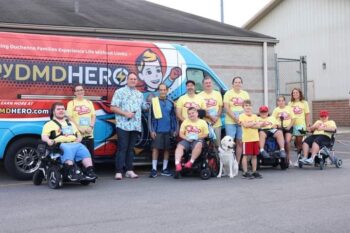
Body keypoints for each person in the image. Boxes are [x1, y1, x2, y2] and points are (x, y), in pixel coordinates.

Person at [41, 102, 97, 181]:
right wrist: (48, 140)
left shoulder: (70, 123)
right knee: (68, 149)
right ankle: (71, 171)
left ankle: (89, 171)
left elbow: (78, 134)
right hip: (60, 144)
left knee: (84, 150)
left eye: (63, 109)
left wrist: (79, 139)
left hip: (74, 143)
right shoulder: (49, 124)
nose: (61, 111)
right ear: (53, 112)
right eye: (58, 109)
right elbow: (44, 136)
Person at [110, 72, 147, 180]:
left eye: (135, 79)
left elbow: (143, 107)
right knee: (122, 148)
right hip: (123, 124)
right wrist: (125, 113)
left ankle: (129, 170)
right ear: (127, 80)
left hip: (135, 125)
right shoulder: (120, 92)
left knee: (131, 149)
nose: (133, 80)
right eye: (131, 79)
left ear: (137, 81)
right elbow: (113, 107)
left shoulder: (139, 94)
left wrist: (150, 103)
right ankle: (119, 171)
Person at [148, 84, 177, 178]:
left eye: (164, 90)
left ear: (167, 90)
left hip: (168, 130)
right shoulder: (154, 102)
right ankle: (154, 169)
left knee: (167, 149)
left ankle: (164, 169)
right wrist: (151, 130)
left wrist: (175, 129)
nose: (163, 91)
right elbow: (150, 117)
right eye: (161, 90)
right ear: (158, 91)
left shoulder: (170, 102)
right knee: (155, 149)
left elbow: (173, 118)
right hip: (157, 130)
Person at [223, 76, 250, 165]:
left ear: (241, 84)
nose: (238, 84)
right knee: (230, 142)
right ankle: (229, 162)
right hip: (230, 121)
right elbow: (226, 107)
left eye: (239, 82)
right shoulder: (228, 93)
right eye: (236, 82)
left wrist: (241, 119)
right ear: (233, 84)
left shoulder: (245, 94)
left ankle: (237, 163)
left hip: (241, 121)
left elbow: (247, 107)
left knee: (239, 142)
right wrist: (235, 118)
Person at [174, 107, 209, 173]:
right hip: (187, 139)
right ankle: (177, 163)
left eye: (193, 113)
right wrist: (187, 138)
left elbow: (206, 134)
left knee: (199, 144)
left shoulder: (203, 122)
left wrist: (197, 137)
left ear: (197, 113)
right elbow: (181, 134)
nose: (191, 115)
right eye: (189, 114)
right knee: (179, 146)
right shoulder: (185, 121)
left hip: (198, 139)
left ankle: (191, 162)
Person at [66, 85, 96, 157]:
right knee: (78, 156)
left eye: (81, 90)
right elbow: (69, 117)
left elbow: (93, 116)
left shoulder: (89, 102)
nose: (80, 92)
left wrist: (91, 127)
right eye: (78, 90)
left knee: (90, 156)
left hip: (89, 134)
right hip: (78, 135)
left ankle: (90, 168)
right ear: (75, 93)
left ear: (84, 91)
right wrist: (78, 128)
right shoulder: (71, 103)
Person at [238, 100, 262, 179]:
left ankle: (254, 171)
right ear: (243, 107)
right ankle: (245, 172)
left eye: (249, 105)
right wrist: (253, 123)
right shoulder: (242, 116)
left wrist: (250, 124)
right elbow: (244, 125)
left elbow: (259, 126)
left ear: (251, 106)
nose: (248, 107)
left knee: (254, 156)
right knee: (245, 155)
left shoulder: (255, 116)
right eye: (246, 105)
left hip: (255, 138)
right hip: (247, 139)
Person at [198, 75, 223, 146]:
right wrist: (210, 117)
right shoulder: (199, 96)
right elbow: (200, 111)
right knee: (206, 144)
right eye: (206, 83)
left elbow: (220, 107)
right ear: (203, 85)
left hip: (217, 123)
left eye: (209, 83)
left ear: (212, 84)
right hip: (205, 124)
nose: (208, 84)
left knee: (217, 144)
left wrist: (216, 117)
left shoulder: (217, 94)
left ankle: (218, 157)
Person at [272, 96, 296, 164]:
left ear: (285, 101)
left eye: (282, 101)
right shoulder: (276, 110)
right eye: (279, 101)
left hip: (288, 127)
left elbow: (293, 119)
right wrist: (276, 125)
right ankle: (281, 156)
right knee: (280, 141)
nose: (281, 102)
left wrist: (289, 126)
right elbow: (272, 120)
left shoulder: (289, 108)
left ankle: (288, 157)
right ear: (277, 102)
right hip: (279, 127)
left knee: (287, 141)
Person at [288, 88, 310, 154]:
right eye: (293, 93)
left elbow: (307, 115)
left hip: (301, 125)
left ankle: (299, 159)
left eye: (296, 92)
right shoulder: (290, 103)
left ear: (300, 93)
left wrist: (308, 125)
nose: (295, 94)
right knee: (289, 142)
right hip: (292, 125)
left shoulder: (304, 103)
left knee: (299, 143)